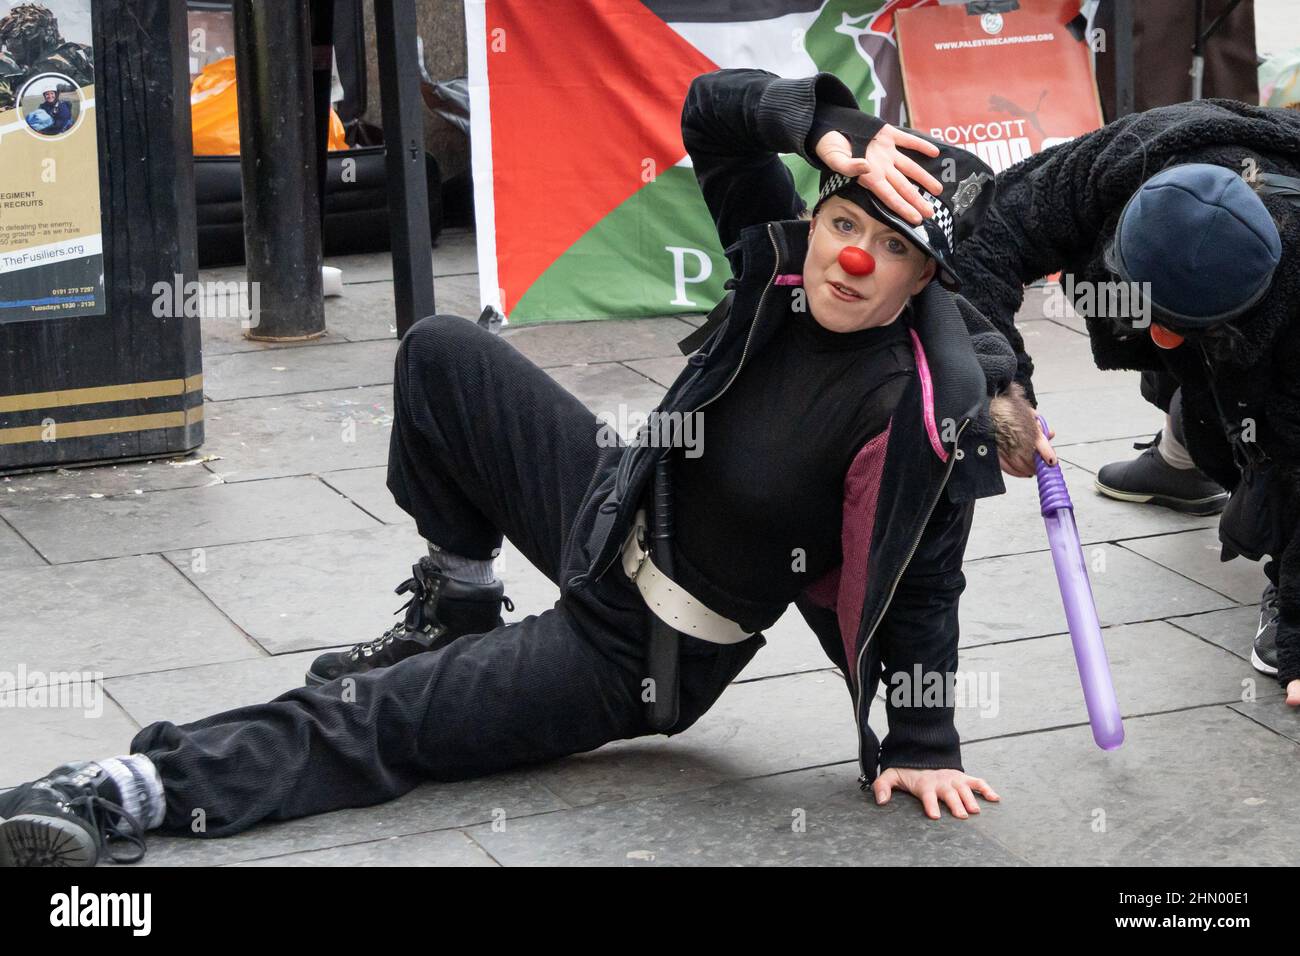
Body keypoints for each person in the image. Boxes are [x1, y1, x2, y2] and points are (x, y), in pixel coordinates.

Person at [0, 67, 1045, 867]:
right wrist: (831, 123)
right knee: (442, 351)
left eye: (887, 247)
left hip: (640, 646)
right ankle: (459, 595)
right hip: (614, 505)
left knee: (386, 717)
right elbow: (709, 113)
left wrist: (922, 736)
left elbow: (918, 580)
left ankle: (118, 787)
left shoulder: (911, 411)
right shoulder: (774, 263)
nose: (848, 255)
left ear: (923, 280)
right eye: (843, 218)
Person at [952, 97, 1300, 697]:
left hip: (1278, 344)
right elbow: (986, 239)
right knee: (1176, 363)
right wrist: (1001, 388)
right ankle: (1182, 457)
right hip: (1201, 291)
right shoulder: (1116, 163)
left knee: (1269, 440)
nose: (1160, 334)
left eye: (1182, 323)